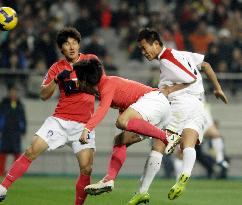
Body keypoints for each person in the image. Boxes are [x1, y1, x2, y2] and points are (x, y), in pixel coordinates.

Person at [127, 28, 228, 205]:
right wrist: (218, 88)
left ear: (156, 43)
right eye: (141, 49)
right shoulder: (183, 54)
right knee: (188, 143)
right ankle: (185, 174)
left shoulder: (166, 59)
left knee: (158, 144)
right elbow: (206, 66)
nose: (143, 52)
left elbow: (190, 78)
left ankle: (142, 191)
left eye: (145, 48)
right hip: (198, 105)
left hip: (179, 104)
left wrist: (169, 90)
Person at [0, 27, 100, 205]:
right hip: (60, 120)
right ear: (61, 48)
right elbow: (43, 95)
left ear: (79, 44)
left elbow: (101, 87)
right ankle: (3, 188)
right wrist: (56, 80)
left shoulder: (91, 61)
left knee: (87, 168)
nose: (71, 46)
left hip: (83, 125)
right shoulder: (57, 67)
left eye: (74, 42)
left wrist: (78, 84)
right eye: (66, 43)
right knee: (32, 150)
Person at [72, 59, 186, 194]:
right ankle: (109, 179)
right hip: (159, 111)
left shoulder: (107, 83)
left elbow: (102, 109)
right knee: (120, 140)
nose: (78, 82)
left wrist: (87, 129)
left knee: (121, 121)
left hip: (154, 100)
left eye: (79, 79)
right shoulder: (103, 87)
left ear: (85, 80)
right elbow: (126, 106)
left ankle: (167, 137)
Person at [0, 85, 27, 176]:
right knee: (2, 152)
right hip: (5, 132)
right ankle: (1, 171)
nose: (14, 94)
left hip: (16, 133)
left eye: (15, 92)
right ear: (9, 93)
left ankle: (14, 173)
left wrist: (23, 130)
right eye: (12, 92)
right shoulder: (3, 104)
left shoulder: (20, 105)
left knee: (17, 153)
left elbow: (23, 119)